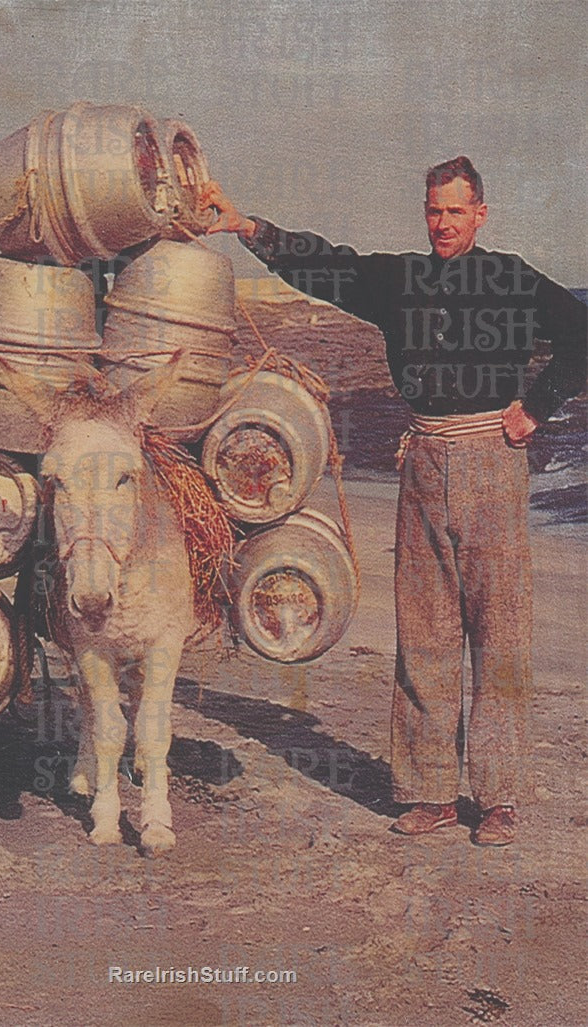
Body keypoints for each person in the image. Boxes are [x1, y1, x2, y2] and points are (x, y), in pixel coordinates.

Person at [201, 157, 586, 846]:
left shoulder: (512, 276)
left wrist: (538, 406)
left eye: (455, 212)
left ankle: (497, 798)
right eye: (434, 211)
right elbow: (328, 267)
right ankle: (431, 793)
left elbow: (583, 335)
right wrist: (249, 227)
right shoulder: (401, 279)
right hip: (424, 459)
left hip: (493, 461)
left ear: (481, 214)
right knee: (426, 632)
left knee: (499, 632)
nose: (442, 223)